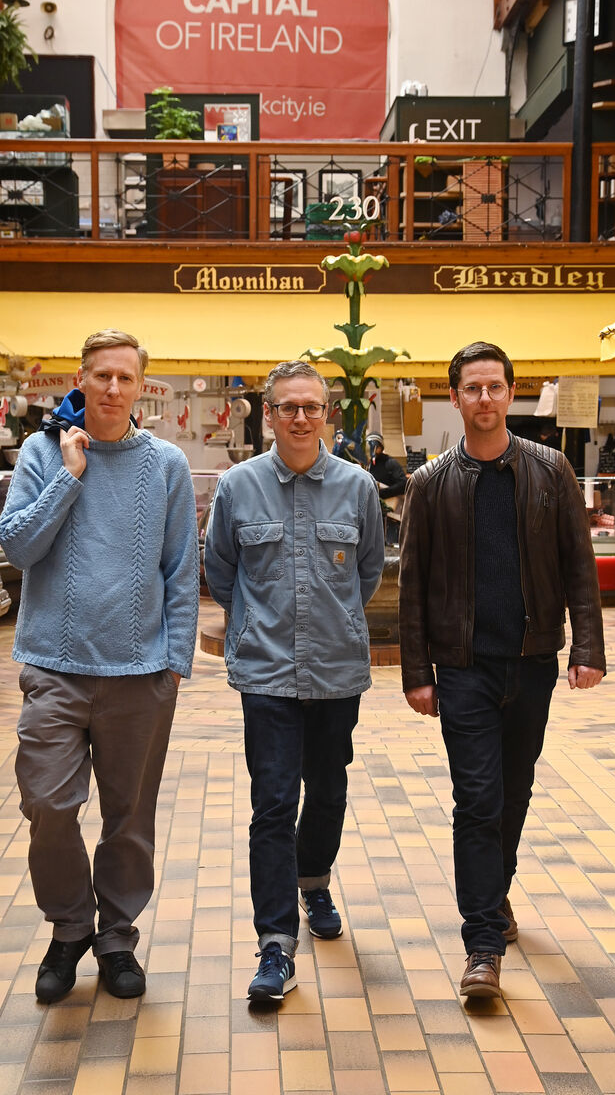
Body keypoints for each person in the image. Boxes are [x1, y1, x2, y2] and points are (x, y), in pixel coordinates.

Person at [0, 328, 199, 1004]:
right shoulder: (43, 452)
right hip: (54, 667)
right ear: (79, 380)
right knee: (48, 804)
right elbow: (18, 547)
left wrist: (174, 661)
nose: (113, 388)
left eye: (125, 377)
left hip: (140, 674)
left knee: (128, 817)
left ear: (142, 387)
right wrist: (69, 475)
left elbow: (181, 567)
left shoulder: (166, 464)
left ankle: (115, 937)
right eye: (101, 375)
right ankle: (69, 926)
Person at [398, 341, 605, 1000]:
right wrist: (416, 671)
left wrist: (588, 648)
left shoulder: (550, 470)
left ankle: (493, 892)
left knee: (513, 795)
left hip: (532, 662)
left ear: (510, 393)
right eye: (472, 388)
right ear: (454, 397)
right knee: (477, 801)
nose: (484, 398)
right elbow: (411, 585)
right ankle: (482, 945)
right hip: (463, 668)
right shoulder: (430, 484)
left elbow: (578, 564)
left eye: (494, 387)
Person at [204, 360, 385, 1003]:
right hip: (267, 673)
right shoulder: (238, 486)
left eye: (311, 406)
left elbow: (368, 573)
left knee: (328, 792)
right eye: (288, 407)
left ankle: (314, 882)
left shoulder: (357, 487)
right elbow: (220, 572)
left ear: (326, 413)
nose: (301, 418)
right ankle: (275, 944)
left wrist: (335, 622)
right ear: (269, 414)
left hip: (337, 670)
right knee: (274, 804)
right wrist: (258, 626)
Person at [367, 433, 407, 499]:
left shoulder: (390, 463)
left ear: (381, 448)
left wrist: (381, 493)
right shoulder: (366, 464)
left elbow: (403, 484)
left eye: (376, 447)